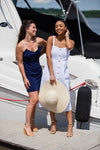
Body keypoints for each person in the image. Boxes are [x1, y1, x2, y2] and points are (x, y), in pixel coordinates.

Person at [40, 20, 75, 137]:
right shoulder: (51, 39)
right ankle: (53, 122)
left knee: (66, 98)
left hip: (63, 73)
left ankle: (70, 126)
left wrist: (66, 36)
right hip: (50, 72)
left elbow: (69, 47)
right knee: (52, 97)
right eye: (56, 26)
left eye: (61, 26)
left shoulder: (70, 42)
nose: (58, 28)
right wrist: (51, 73)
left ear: (65, 28)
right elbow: (48, 56)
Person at [16, 20, 46, 136]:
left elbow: (48, 45)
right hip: (29, 75)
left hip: (39, 72)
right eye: (33, 28)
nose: (35, 30)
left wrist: (41, 54)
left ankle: (32, 123)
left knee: (36, 99)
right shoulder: (20, 45)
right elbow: (20, 63)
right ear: (27, 29)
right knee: (34, 100)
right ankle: (27, 125)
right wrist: (24, 78)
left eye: (36, 27)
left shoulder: (38, 41)